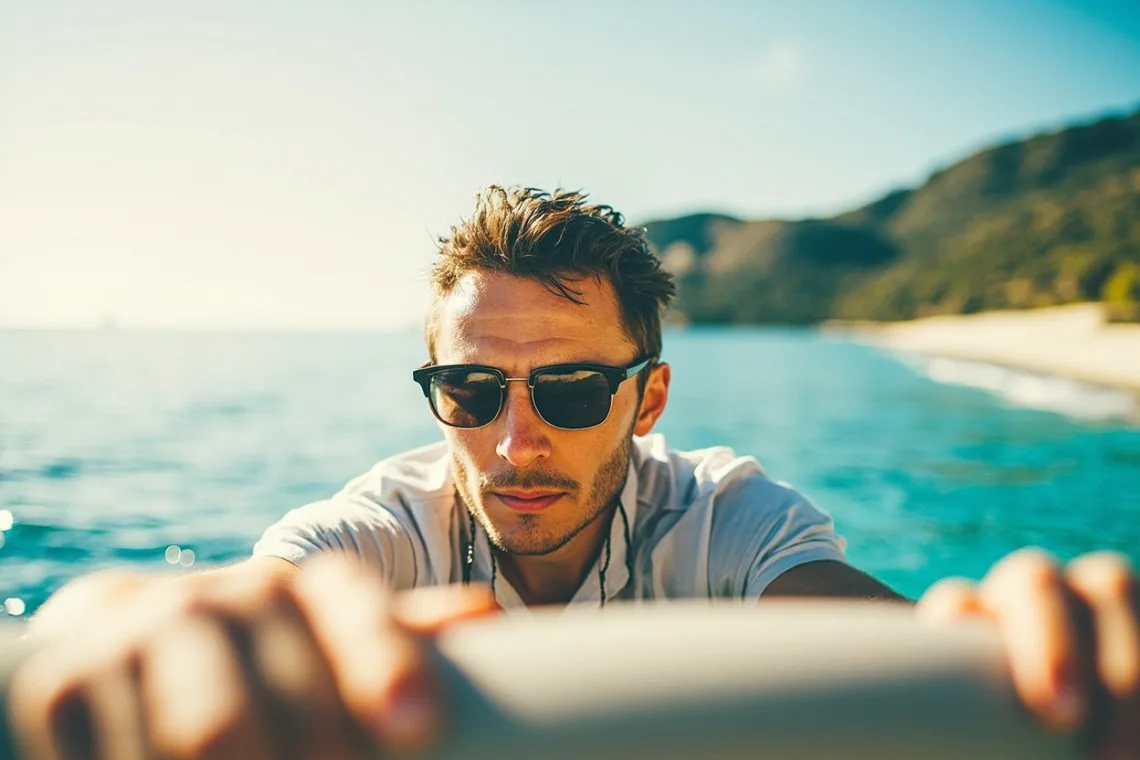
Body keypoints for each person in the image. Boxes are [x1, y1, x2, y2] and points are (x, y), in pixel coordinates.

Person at [10, 187, 1139, 759]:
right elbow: (267, 592)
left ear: (647, 400)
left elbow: (879, 637)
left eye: (572, 392)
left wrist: (1024, 653)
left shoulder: (725, 516)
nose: (514, 444)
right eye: (470, 390)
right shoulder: (383, 528)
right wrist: (129, 627)